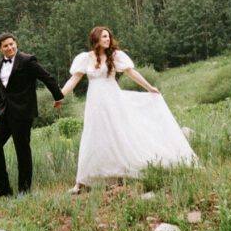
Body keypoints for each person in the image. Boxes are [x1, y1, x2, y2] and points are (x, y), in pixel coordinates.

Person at [60, 26, 198, 193]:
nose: (107, 39)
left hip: (112, 99)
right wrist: (60, 95)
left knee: (116, 135)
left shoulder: (114, 56)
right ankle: (80, 182)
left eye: (108, 36)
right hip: (95, 103)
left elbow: (132, 73)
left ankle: (116, 177)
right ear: (96, 39)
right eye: (104, 37)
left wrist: (149, 87)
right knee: (93, 136)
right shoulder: (85, 58)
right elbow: (73, 80)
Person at [0, 32, 65, 197]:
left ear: (16, 44)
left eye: (11, 44)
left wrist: (58, 96)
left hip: (22, 112)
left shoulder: (27, 60)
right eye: (5, 46)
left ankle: (24, 190)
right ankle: (3, 189)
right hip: (4, 113)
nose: (9, 47)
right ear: (0, 49)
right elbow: (2, 92)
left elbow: (46, 77)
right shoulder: (1, 63)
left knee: (22, 150)